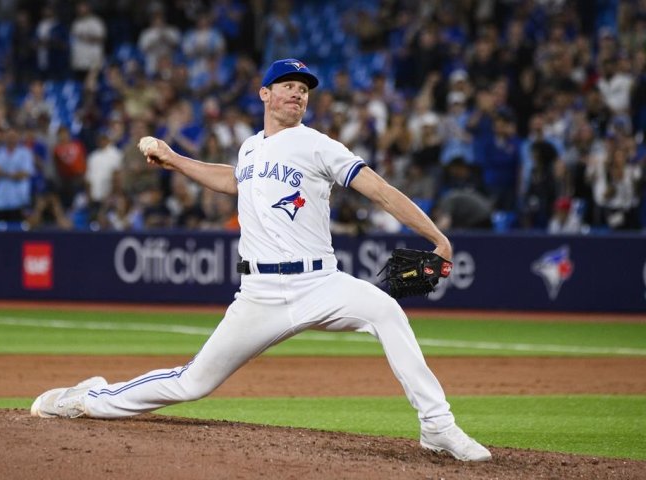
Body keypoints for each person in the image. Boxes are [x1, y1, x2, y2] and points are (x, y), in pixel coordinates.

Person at [30, 58, 492, 462]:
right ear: (265, 94)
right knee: (192, 383)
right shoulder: (250, 148)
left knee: (387, 311)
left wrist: (436, 236)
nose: (298, 92)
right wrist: (175, 159)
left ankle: (437, 425)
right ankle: (89, 397)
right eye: (289, 84)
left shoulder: (318, 144)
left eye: (305, 88)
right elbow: (235, 180)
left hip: (320, 284)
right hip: (259, 295)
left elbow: (381, 191)